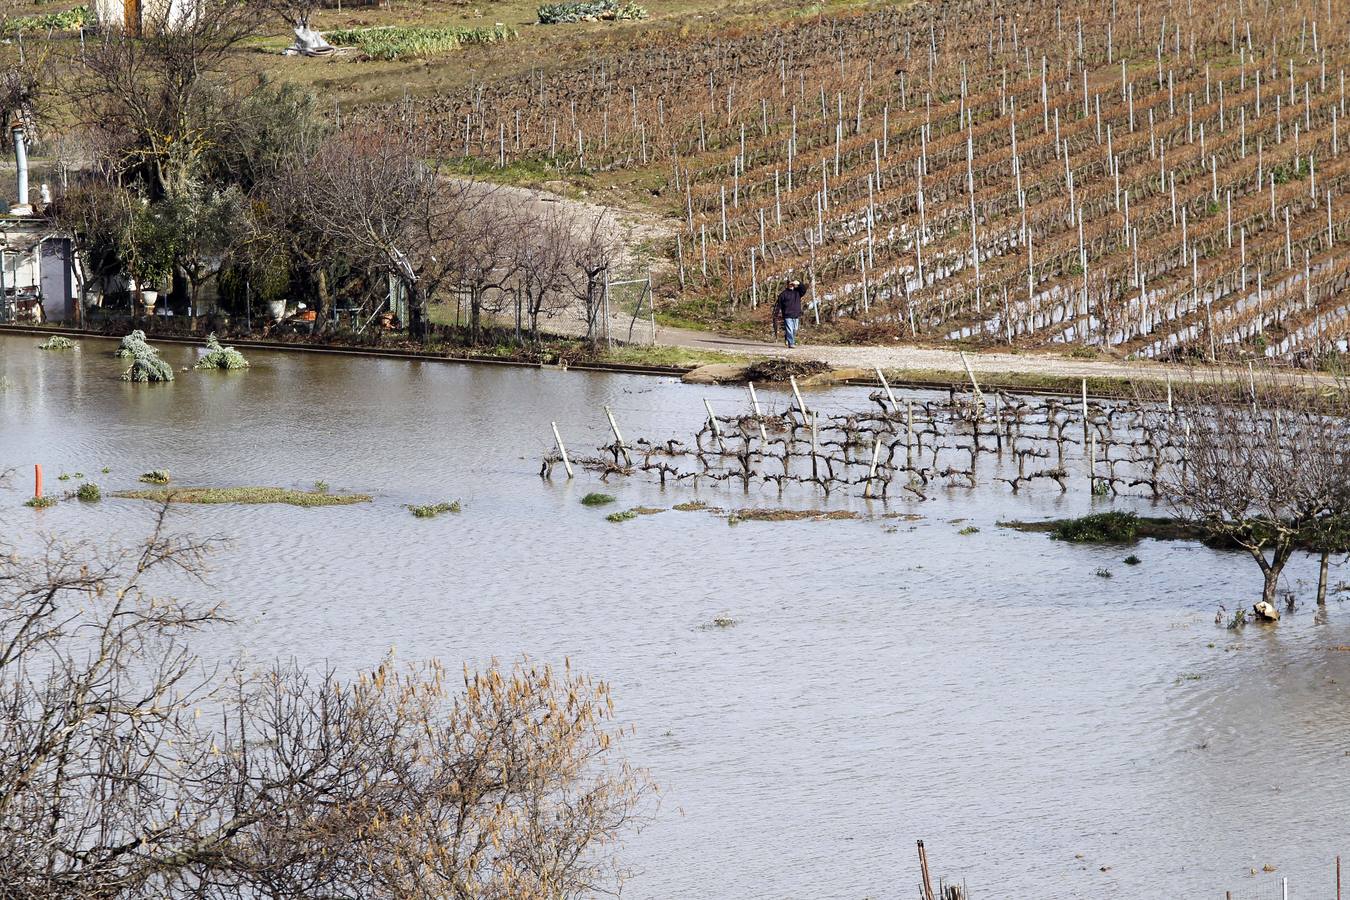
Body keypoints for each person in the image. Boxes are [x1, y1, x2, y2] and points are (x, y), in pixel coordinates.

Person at [773, 278, 805, 349]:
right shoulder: (783, 294)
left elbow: (804, 289)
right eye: (790, 284)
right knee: (790, 329)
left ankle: (787, 338)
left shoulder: (798, 292)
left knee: (794, 329)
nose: (791, 285)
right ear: (787, 285)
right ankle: (791, 343)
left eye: (792, 284)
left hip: (796, 314)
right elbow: (778, 305)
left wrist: (799, 283)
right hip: (787, 315)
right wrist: (776, 314)